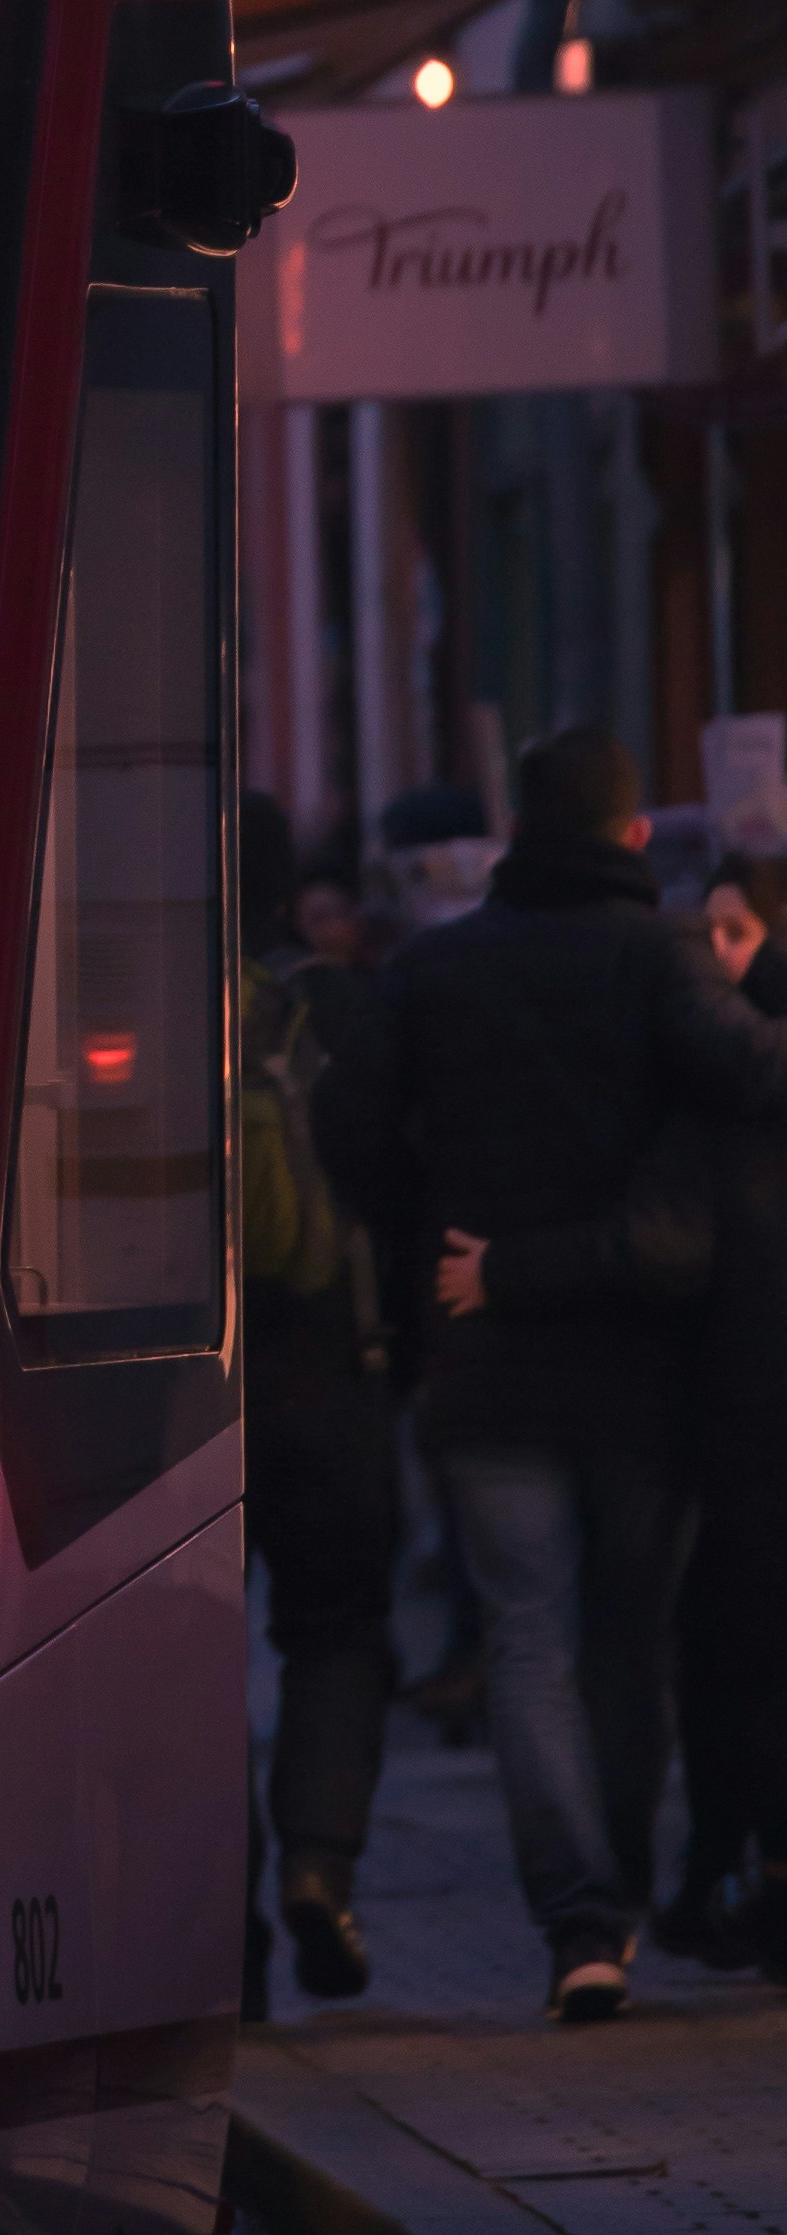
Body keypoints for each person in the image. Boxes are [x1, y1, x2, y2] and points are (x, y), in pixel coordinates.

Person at [319, 728, 787, 2021]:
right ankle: (616, 1912)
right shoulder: (660, 958)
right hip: (644, 1370)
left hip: (487, 1357)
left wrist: (426, 1242)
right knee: (628, 1646)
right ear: (636, 838)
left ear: (518, 829)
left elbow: (352, 1125)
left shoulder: (436, 969)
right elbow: (752, 1072)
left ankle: (576, 1919)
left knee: (526, 1637)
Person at [236, 792, 398, 2007]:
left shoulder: (124, 1009)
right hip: (330, 1377)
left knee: (184, 1661)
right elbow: (399, 1182)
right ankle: (319, 1872)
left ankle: (216, 1924)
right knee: (337, 1632)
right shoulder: (337, 1010)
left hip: (181, 1393)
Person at [669, 840, 787, 1966]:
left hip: (752, 1404)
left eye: (736, 933)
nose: (716, 957)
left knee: (738, 1650)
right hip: (743, 1405)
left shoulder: (734, 1072)